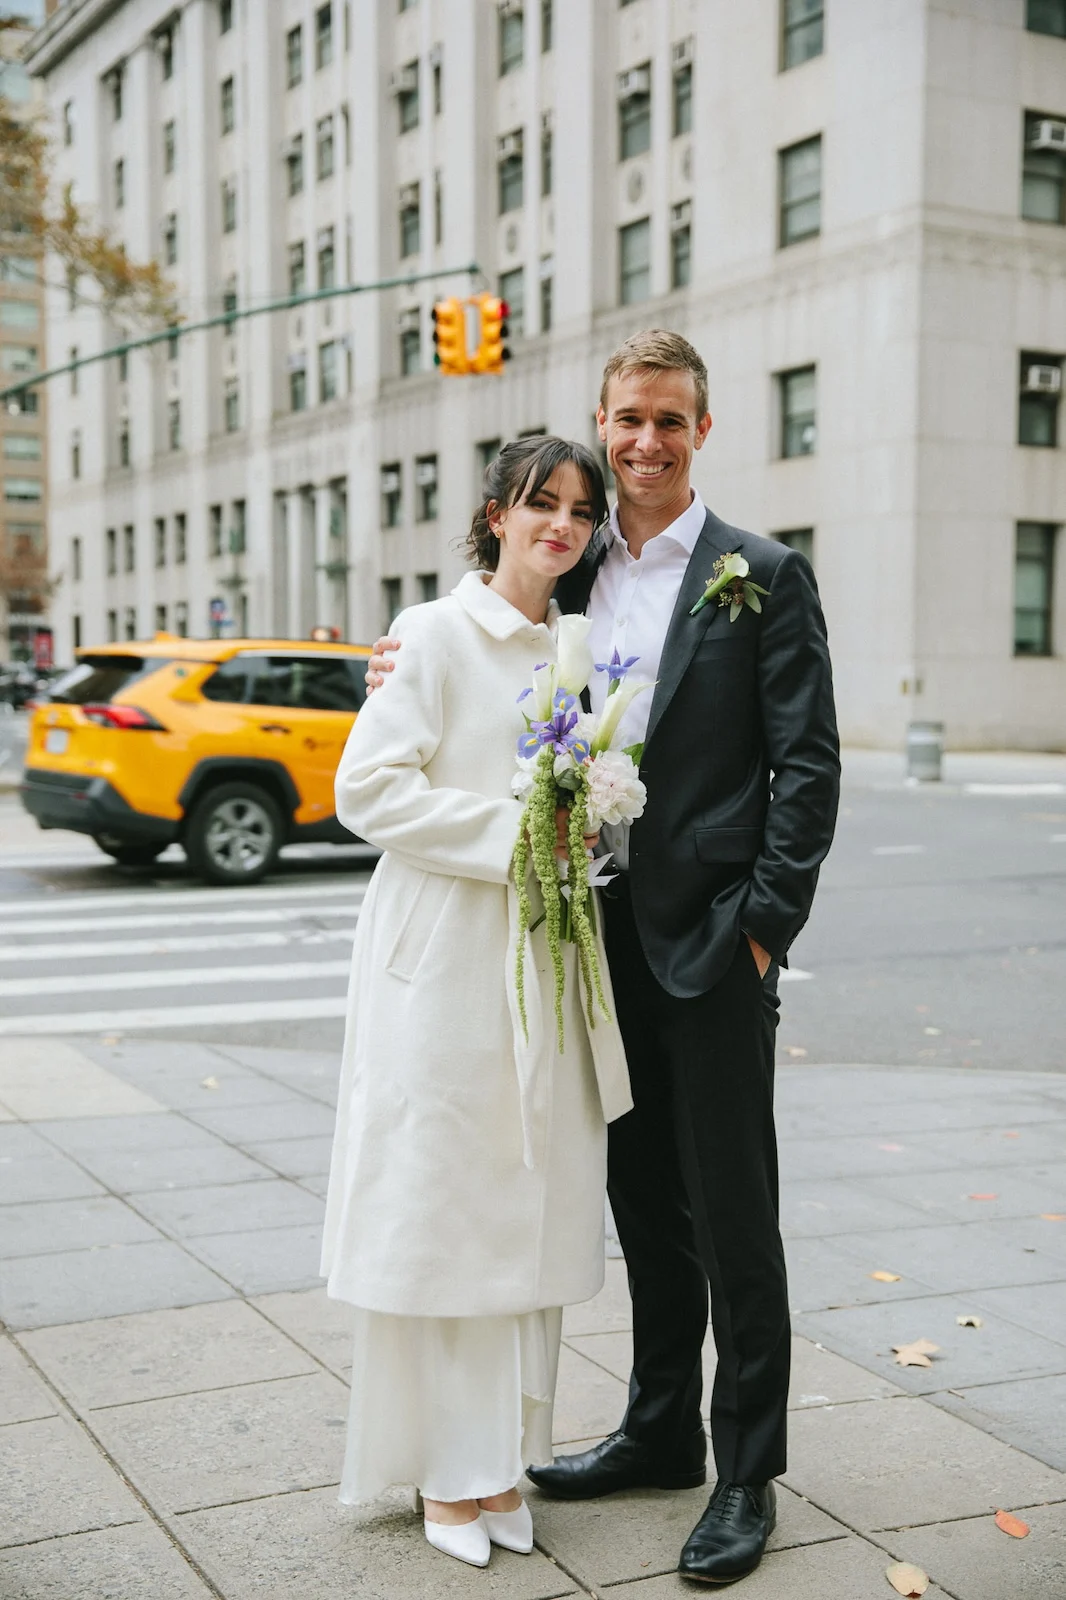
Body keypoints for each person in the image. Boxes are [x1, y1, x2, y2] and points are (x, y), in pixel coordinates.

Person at [366, 329, 840, 1585]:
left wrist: (760, 931)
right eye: (625, 418)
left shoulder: (760, 575)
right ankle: (655, 1429)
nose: (642, 443)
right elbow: (492, 641)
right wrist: (401, 651)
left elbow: (808, 769)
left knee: (734, 1214)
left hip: (712, 950)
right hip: (583, 955)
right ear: (601, 416)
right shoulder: (571, 572)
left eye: (667, 422)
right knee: (640, 1207)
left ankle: (745, 1473)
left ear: (701, 430)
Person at [321, 435, 633, 1570]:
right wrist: (521, 836)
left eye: (578, 510)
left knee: (526, 1212)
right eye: (539, 502)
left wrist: (593, 826)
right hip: (445, 956)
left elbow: (589, 794)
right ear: (494, 513)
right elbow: (367, 790)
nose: (560, 523)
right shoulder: (432, 632)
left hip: (545, 956)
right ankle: (451, 1475)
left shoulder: (574, 646)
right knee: (447, 1212)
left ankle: (502, 1458)